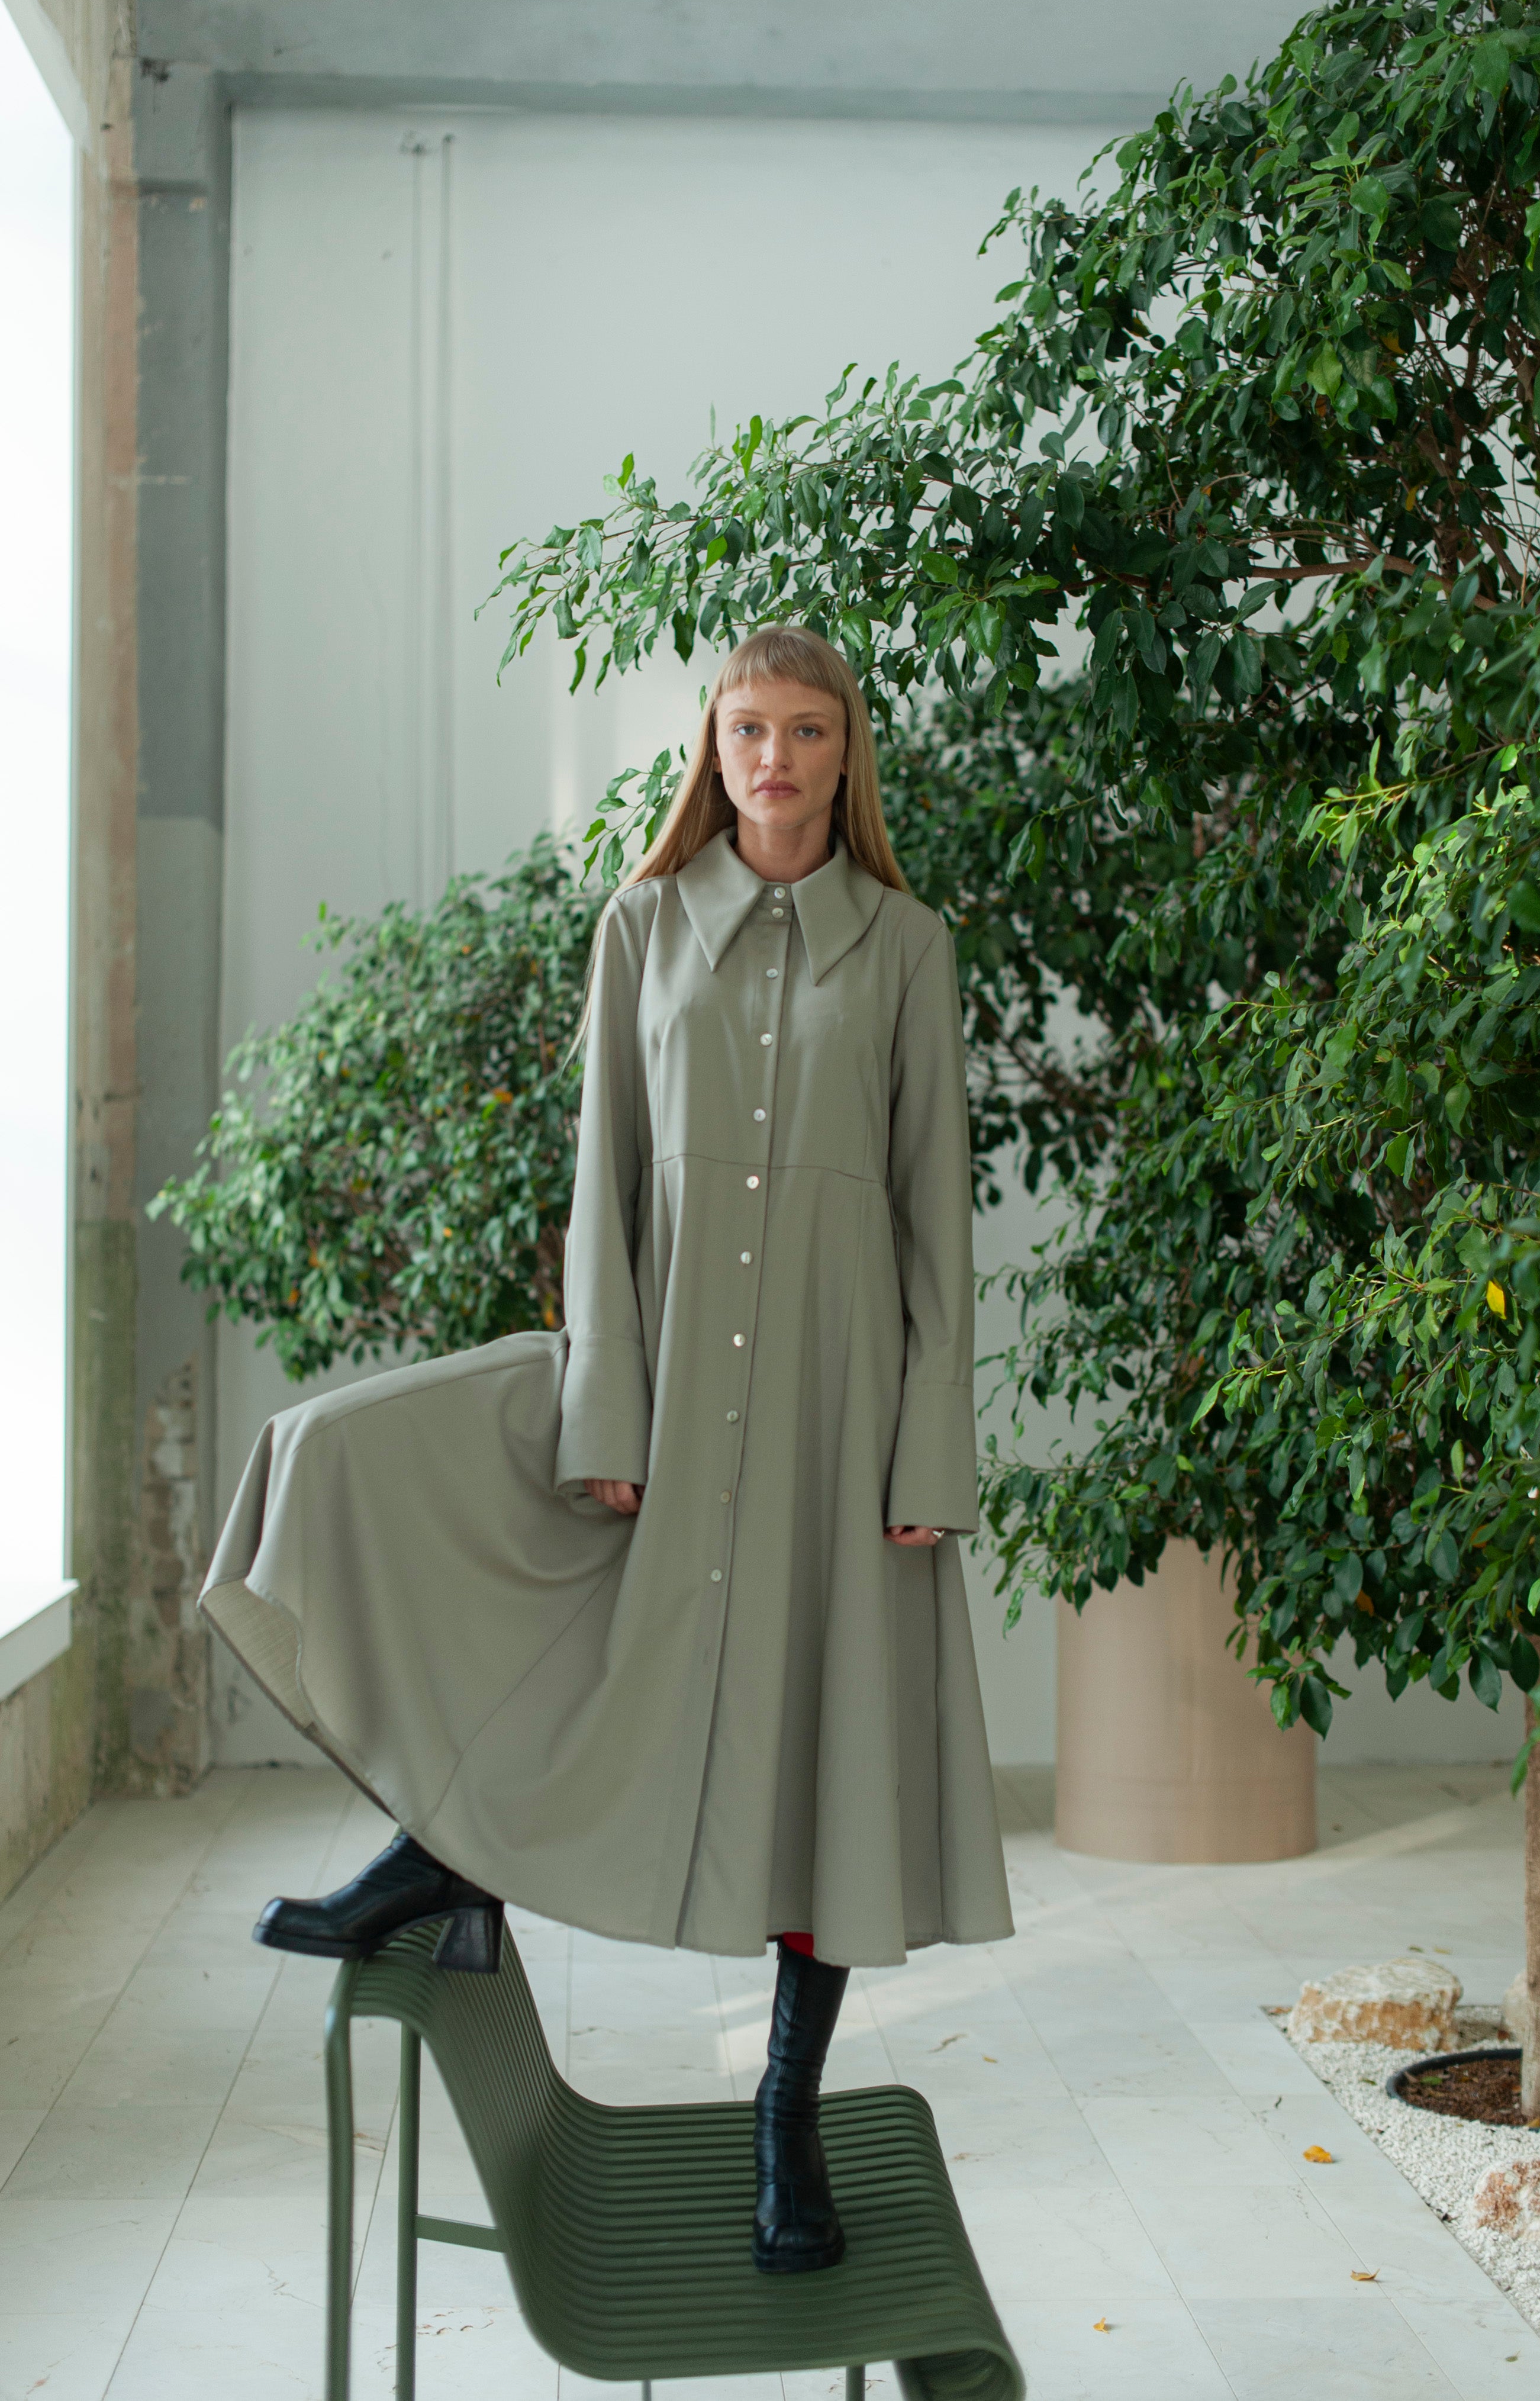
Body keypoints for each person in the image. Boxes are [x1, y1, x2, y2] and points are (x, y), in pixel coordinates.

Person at [204, 623, 1013, 2274]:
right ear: (709, 752)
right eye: (746, 731)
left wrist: (929, 1456)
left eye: (805, 732)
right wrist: (604, 1408)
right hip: (657, 1374)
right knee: (410, 1503)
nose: (775, 760)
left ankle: (785, 2120)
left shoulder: (909, 945)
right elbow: (607, 1180)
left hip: (840, 1403)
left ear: (849, 756)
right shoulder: (641, 926)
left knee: (818, 1753)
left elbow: (938, 1216)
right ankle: (443, 1865)